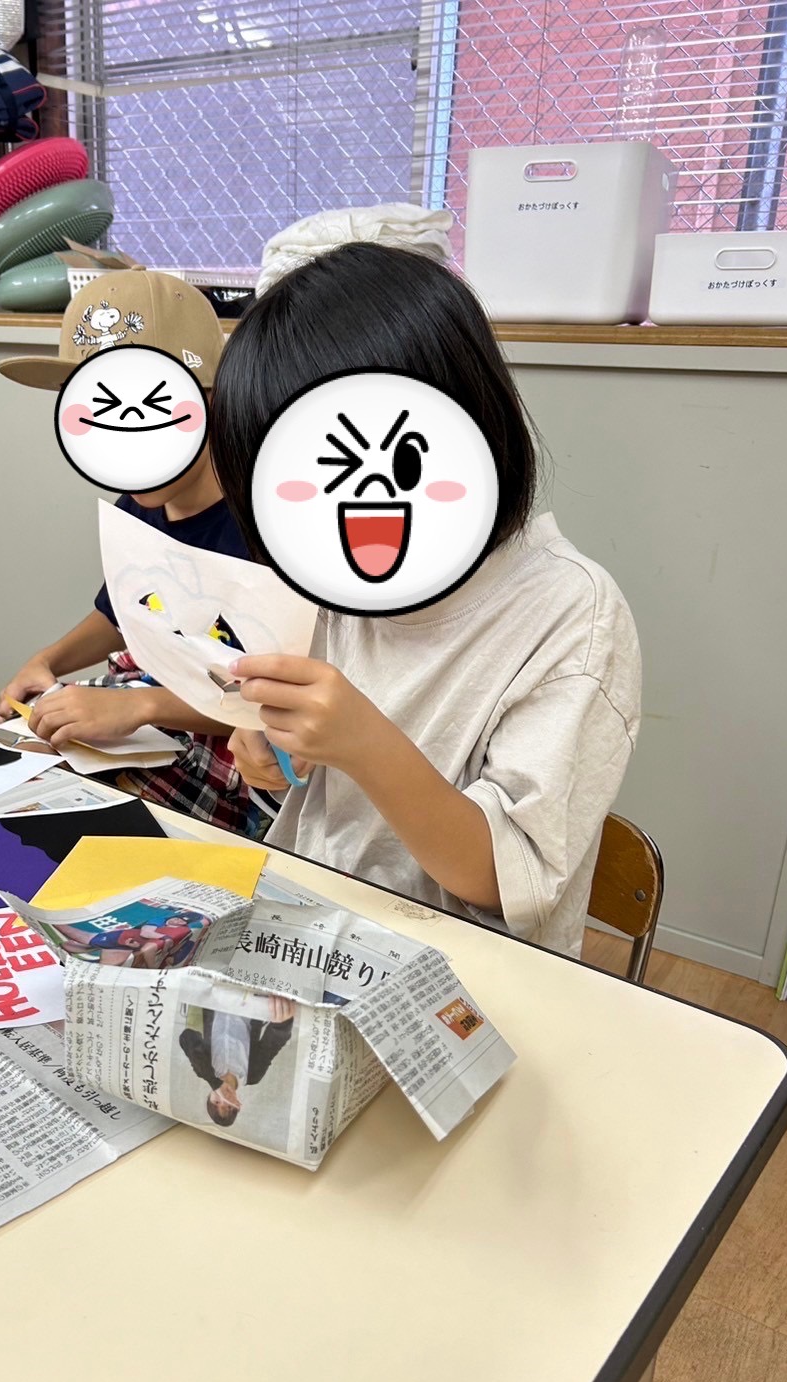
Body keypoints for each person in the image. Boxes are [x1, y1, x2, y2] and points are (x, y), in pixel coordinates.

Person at [209, 242, 642, 959]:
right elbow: (318, 794)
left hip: (470, 975)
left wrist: (363, 742)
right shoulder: (334, 585)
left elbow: (504, 880)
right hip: (310, 927)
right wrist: (276, 751)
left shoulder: (572, 613)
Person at [0, 269, 275, 837]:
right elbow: (122, 613)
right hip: (156, 704)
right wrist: (50, 660)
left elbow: (273, 699)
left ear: (210, 399)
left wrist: (141, 707)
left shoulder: (266, 526)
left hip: (246, 749)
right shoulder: (138, 505)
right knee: (27, 773)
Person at [179, 998, 296, 1128]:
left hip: (219, 996)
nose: (224, 1099)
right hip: (250, 1001)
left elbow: (186, 1037)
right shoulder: (252, 1075)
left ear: (210, 1095)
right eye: (229, 1106)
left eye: (217, 1102)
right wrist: (282, 1024)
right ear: (238, 1104)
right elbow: (274, 1042)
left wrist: (215, 1082)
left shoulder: (204, 1069)